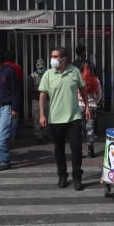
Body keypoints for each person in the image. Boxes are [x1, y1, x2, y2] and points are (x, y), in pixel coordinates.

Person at [38, 47, 89, 190]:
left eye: (55, 56)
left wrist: (87, 107)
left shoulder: (74, 72)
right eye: (51, 56)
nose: (52, 59)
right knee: (59, 150)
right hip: (55, 118)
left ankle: (77, 177)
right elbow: (42, 95)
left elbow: (83, 90)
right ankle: (62, 175)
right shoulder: (48, 74)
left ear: (63, 59)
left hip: (74, 117)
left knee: (77, 148)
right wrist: (42, 114)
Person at [0, 49, 21, 171]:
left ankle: (5, 161)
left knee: (2, 136)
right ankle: (2, 158)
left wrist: (15, 108)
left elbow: (15, 91)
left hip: (7, 107)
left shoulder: (9, 71)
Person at [79, 61, 103, 158]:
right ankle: (90, 149)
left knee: (79, 129)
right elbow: (99, 94)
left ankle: (79, 151)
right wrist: (94, 102)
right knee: (90, 128)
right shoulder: (96, 80)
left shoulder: (78, 79)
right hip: (92, 106)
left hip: (79, 105)